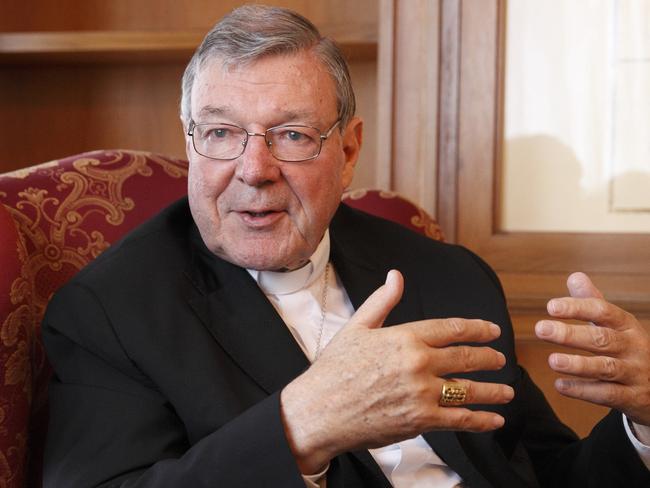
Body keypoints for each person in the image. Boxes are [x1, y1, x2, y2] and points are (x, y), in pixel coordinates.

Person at [42, 5, 650, 487]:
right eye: (222, 132)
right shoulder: (110, 312)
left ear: (348, 150)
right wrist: (302, 426)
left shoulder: (445, 274)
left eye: (292, 134)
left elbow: (539, 471)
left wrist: (645, 421)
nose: (254, 168)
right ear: (191, 140)